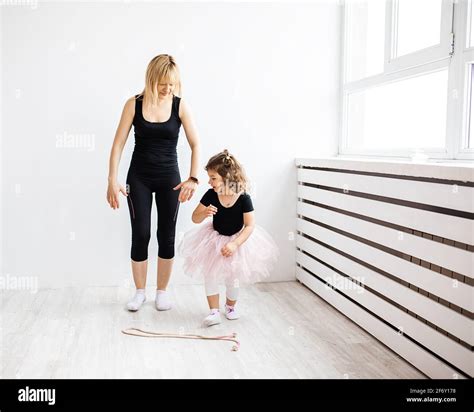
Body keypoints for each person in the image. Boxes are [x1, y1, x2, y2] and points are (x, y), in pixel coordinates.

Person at [106, 54, 200, 312]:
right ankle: (139, 293)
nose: (168, 88)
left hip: (170, 178)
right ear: (151, 78)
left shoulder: (180, 105)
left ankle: (162, 292)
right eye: (163, 83)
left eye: (172, 84)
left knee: (166, 235)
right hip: (139, 178)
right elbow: (118, 144)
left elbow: (195, 143)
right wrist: (111, 180)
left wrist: (193, 177)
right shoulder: (133, 104)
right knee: (141, 233)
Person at [178, 149, 279, 326]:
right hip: (213, 240)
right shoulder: (211, 195)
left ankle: (230, 307)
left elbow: (249, 225)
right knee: (210, 275)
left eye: (213, 178)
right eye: (209, 177)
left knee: (233, 277)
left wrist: (235, 244)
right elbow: (195, 218)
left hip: (237, 242)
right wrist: (204, 212)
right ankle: (214, 311)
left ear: (227, 176)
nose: (209, 182)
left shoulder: (243, 197)